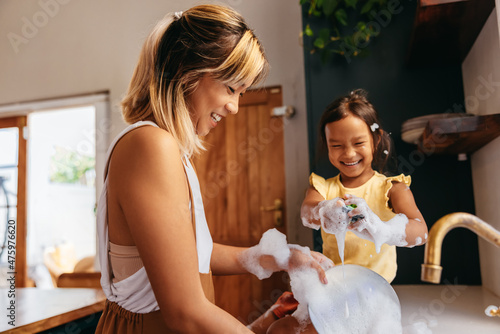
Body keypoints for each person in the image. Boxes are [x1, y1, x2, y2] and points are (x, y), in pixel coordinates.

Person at [95, 4, 331, 334]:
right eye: (230, 88)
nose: (234, 106)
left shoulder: (163, 147)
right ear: (186, 70)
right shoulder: (151, 147)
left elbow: (187, 254)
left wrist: (279, 257)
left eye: (242, 92)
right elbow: (185, 313)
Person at [265, 89, 429, 333]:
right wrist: (323, 210)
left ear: (376, 140)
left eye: (359, 143)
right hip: (332, 289)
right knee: (279, 330)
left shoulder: (393, 189)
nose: (349, 153)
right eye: (337, 145)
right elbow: (307, 212)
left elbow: (420, 231)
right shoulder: (323, 187)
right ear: (327, 146)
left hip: (374, 296)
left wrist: (381, 229)